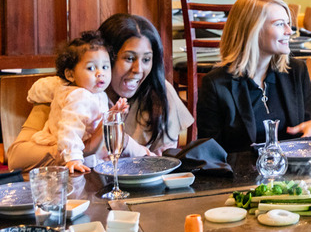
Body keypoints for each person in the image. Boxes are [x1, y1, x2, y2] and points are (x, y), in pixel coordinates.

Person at [8, 14, 194, 171]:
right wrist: (81, 150)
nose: (138, 69)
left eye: (147, 59)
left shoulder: (159, 92)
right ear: (106, 56)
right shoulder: (64, 92)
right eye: (129, 58)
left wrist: (128, 146)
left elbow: (162, 162)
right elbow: (17, 158)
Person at [197, 0, 311, 153]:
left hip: (292, 173)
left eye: (288, 23)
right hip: (241, 175)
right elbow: (210, 155)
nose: (290, 31)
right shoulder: (216, 84)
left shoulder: (296, 71)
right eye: (280, 24)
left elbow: (306, 134)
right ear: (252, 30)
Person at [29, 31, 127, 173]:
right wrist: (73, 158)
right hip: (75, 158)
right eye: (91, 68)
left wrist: (112, 113)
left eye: (105, 67)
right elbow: (70, 128)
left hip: (89, 155)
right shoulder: (79, 96)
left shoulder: (97, 93)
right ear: (70, 74)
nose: (100, 73)